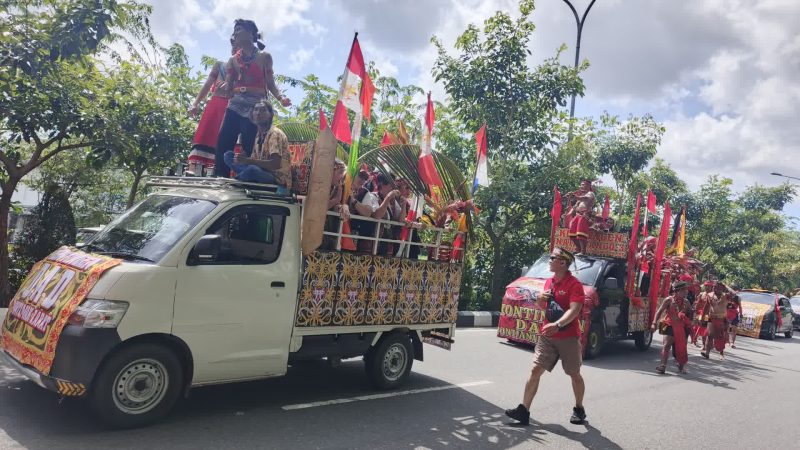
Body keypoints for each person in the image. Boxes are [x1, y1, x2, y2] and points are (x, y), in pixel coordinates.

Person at [505, 247, 587, 426]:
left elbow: (575, 310)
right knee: (535, 370)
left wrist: (558, 325)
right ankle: (523, 410)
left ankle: (579, 408)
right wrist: (540, 300)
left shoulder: (574, 285)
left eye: (552, 258)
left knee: (574, 374)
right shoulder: (549, 282)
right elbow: (546, 307)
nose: (549, 261)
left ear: (563, 263)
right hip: (548, 335)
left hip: (567, 336)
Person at [215, 19, 291, 177]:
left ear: (251, 33)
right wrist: (222, 88)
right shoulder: (232, 60)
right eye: (234, 30)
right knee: (224, 142)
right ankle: (219, 178)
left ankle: (247, 177)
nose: (235, 33)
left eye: (239, 29)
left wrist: (281, 98)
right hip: (235, 105)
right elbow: (229, 87)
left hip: (256, 108)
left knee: (249, 144)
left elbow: (270, 83)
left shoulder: (264, 57)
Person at [187, 39, 238, 174]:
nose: (236, 49)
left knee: (227, 142)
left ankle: (223, 171)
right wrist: (195, 103)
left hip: (234, 107)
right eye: (234, 46)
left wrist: (232, 89)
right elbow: (207, 85)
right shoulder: (220, 65)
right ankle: (194, 171)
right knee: (204, 136)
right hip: (215, 105)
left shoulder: (245, 70)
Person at [223, 100, 291, 194]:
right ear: (252, 114)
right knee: (228, 155)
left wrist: (247, 161)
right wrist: (243, 159)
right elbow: (254, 161)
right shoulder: (259, 134)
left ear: (271, 115)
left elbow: (275, 164)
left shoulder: (275, 133)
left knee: (252, 170)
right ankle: (243, 177)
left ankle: (235, 183)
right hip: (260, 171)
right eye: (256, 110)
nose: (258, 113)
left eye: (263, 110)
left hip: (276, 178)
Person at [651, 280, 692, 374]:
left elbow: (690, 313)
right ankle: (663, 366)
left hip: (681, 329)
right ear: (678, 291)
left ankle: (681, 365)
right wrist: (654, 323)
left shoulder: (687, 302)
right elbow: (659, 311)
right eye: (684, 290)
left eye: (686, 290)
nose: (686, 292)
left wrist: (691, 321)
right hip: (669, 325)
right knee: (666, 346)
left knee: (680, 349)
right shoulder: (669, 300)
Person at [374, 173, 403, 256]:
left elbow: (400, 219)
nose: (393, 188)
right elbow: (377, 215)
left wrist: (403, 205)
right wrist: (387, 198)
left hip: (386, 240)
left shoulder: (393, 202)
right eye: (391, 185)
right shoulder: (373, 196)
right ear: (382, 185)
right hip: (375, 240)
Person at [566, 179, 595, 255]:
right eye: (581, 185)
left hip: (584, 215)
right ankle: (578, 249)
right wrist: (570, 197)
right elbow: (575, 206)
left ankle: (583, 251)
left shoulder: (590, 193)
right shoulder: (580, 196)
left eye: (583, 184)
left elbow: (584, 199)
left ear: (588, 186)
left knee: (581, 233)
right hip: (578, 215)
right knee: (572, 233)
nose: (581, 186)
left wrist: (575, 196)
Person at [701, 282, 729, 359]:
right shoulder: (710, 295)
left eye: (718, 287)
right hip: (711, 318)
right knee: (709, 335)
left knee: (720, 337)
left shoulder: (726, 296)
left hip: (721, 319)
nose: (716, 289)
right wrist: (703, 318)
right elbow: (706, 307)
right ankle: (707, 353)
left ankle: (721, 353)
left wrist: (726, 286)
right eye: (715, 287)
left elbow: (734, 293)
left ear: (722, 289)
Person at [692, 281, 715, 348]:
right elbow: (698, 303)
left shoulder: (713, 295)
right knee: (697, 326)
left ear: (711, 287)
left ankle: (705, 344)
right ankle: (695, 340)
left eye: (709, 286)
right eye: (706, 286)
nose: (707, 287)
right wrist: (696, 312)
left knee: (704, 328)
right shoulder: (702, 294)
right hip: (700, 313)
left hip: (708, 315)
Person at [724, 284, 743, 349]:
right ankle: (726, 341)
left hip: (734, 315)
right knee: (726, 329)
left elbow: (740, 307)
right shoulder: (726, 296)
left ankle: (732, 343)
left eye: (735, 290)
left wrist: (741, 315)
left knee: (734, 329)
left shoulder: (738, 298)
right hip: (726, 314)